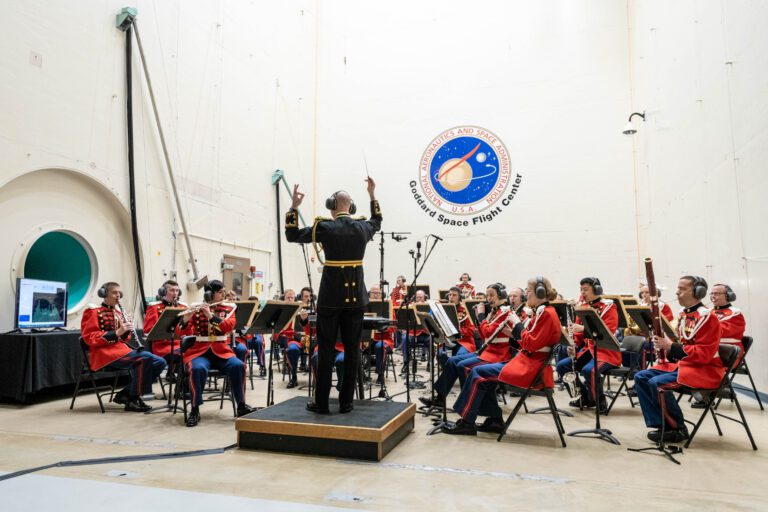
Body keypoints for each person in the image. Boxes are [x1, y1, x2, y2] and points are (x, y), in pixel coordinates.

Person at [285, 177, 381, 414]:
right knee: (352, 349)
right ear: (351, 206)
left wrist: (294, 207)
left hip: (330, 298)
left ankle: (321, 402)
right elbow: (377, 220)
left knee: (326, 350)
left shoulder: (323, 227)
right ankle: (347, 402)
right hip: (356, 298)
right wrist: (372, 194)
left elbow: (292, 235)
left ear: (331, 206)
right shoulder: (363, 227)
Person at [444, 277, 561, 435]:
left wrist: (518, 325)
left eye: (528, 290)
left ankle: (467, 422)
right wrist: (513, 334)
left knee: (477, 373)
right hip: (526, 362)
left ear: (539, 292)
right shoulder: (543, 312)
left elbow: (530, 344)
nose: (526, 293)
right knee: (478, 373)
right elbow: (527, 342)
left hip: (530, 369)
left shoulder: (546, 314)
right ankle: (494, 419)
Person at [634, 276, 724, 443]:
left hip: (705, 371)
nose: (677, 292)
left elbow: (703, 355)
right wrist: (665, 349)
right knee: (641, 377)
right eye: (678, 288)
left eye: (682, 289)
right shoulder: (685, 315)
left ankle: (677, 428)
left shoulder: (707, 318)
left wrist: (671, 347)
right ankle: (661, 424)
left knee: (657, 383)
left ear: (698, 292)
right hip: (687, 366)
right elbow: (684, 346)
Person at [81, 282, 167, 412]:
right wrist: (116, 332)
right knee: (144, 359)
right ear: (104, 294)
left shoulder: (118, 312)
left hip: (121, 351)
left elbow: (124, 339)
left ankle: (126, 394)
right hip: (103, 354)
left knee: (160, 362)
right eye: (114, 293)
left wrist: (126, 330)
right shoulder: (93, 311)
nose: (118, 296)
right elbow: (89, 337)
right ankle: (133, 399)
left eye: (119, 293)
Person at [179, 280, 254, 427]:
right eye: (220, 292)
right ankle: (195, 409)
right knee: (197, 369)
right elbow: (179, 332)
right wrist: (185, 320)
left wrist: (211, 316)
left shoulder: (230, 307)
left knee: (238, 365)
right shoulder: (196, 307)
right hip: (199, 352)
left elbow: (227, 327)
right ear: (209, 294)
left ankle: (241, 405)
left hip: (221, 351)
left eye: (223, 291)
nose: (223, 294)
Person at [558, 277, 619, 413]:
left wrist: (582, 329)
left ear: (597, 290)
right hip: (587, 350)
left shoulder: (608, 307)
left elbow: (608, 332)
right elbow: (579, 336)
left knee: (589, 370)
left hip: (606, 352)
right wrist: (572, 344)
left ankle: (599, 400)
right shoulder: (583, 307)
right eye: (581, 289)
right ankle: (584, 396)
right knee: (562, 366)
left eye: (585, 289)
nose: (582, 293)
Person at [690, 283, 746, 408]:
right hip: (711, 350)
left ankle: (711, 392)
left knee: (699, 362)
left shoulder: (734, 313)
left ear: (728, 296)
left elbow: (722, 331)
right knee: (686, 359)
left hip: (728, 353)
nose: (713, 296)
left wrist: (701, 326)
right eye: (712, 293)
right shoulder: (708, 311)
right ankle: (709, 391)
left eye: (717, 293)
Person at [144, 279, 186, 361]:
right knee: (184, 354)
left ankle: (183, 373)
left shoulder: (183, 306)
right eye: (172, 290)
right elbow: (149, 330)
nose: (175, 293)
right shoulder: (154, 307)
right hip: (163, 346)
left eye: (177, 290)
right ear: (163, 292)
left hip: (181, 344)